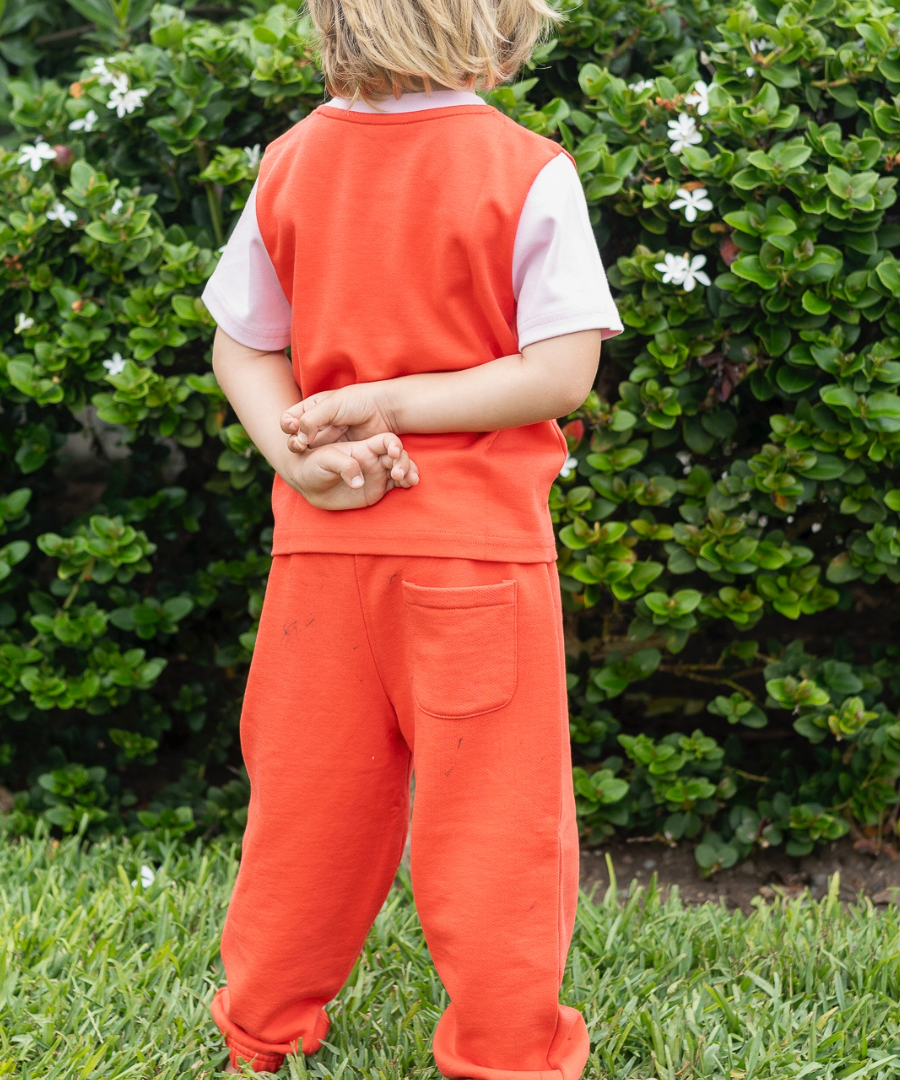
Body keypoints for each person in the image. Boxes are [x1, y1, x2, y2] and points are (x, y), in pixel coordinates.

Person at [200, 0, 623, 1075]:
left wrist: (299, 453)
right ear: (495, 22)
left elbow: (241, 346)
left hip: (320, 549)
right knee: (493, 820)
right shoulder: (528, 168)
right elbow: (561, 371)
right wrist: (389, 405)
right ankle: (506, 1052)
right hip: (476, 555)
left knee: (307, 805)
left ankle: (261, 1030)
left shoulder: (291, 162)